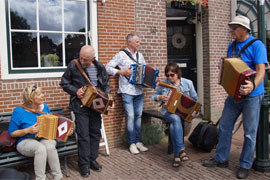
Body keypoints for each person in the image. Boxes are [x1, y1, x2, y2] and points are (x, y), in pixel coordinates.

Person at [202, 15, 268, 179]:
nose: (231, 30)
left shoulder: (257, 45)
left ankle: (245, 165)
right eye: (231, 27)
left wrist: (252, 85)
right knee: (224, 126)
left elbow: (261, 70)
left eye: (234, 27)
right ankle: (221, 159)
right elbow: (232, 66)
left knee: (249, 133)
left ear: (244, 29)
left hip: (252, 96)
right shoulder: (232, 46)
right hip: (233, 96)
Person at [60, 45, 112, 177]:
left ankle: (92, 160)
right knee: (83, 136)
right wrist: (75, 91)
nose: (82, 62)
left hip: (97, 106)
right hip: (80, 106)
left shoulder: (100, 67)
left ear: (93, 58)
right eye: (81, 58)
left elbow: (106, 86)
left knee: (95, 134)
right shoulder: (74, 65)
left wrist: (110, 101)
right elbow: (64, 83)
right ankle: (83, 166)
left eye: (86, 60)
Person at [8, 84, 66, 180]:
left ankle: (58, 177)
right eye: (39, 94)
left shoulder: (45, 107)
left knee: (50, 146)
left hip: (42, 138)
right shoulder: (19, 111)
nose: (42, 95)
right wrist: (27, 130)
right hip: (25, 141)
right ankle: (40, 178)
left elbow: (52, 124)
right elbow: (12, 133)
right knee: (40, 148)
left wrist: (66, 130)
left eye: (42, 93)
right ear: (31, 98)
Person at [106, 33, 149, 155]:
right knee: (130, 116)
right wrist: (122, 72)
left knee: (138, 116)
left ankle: (138, 141)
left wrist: (151, 79)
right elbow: (107, 68)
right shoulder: (121, 55)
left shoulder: (140, 56)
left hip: (139, 91)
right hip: (127, 91)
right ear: (129, 42)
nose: (139, 44)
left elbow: (145, 71)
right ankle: (131, 143)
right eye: (137, 42)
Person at [152, 62, 200, 167]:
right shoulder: (164, 84)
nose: (169, 77)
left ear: (178, 73)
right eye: (167, 75)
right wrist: (160, 97)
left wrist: (196, 111)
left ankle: (176, 155)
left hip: (183, 113)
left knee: (175, 123)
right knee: (175, 119)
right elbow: (154, 96)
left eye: (172, 75)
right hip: (167, 112)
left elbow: (196, 99)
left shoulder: (188, 83)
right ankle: (181, 149)